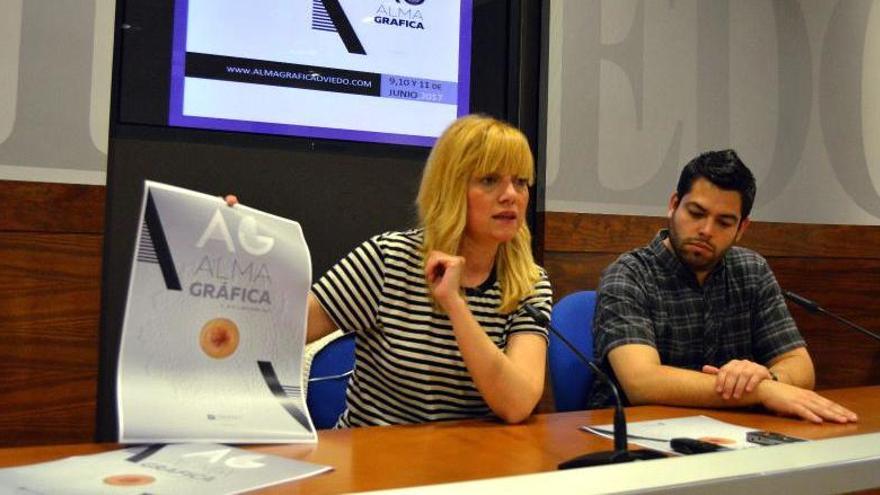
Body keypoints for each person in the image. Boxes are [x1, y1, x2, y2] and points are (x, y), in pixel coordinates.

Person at [228, 114, 552, 427]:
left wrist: (456, 306)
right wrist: (229, 262)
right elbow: (273, 334)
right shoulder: (388, 260)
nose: (511, 195)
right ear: (450, 189)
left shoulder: (528, 283)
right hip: (371, 459)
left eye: (521, 182)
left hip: (467, 466)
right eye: (490, 180)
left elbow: (516, 404)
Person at [589, 149, 858, 424]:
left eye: (724, 222)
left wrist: (770, 378)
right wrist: (763, 391)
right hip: (636, 440)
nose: (706, 230)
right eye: (696, 213)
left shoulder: (752, 271)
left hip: (733, 436)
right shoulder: (628, 274)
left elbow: (800, 366)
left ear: (742, 228)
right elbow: (642, 382)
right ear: (673, 204)